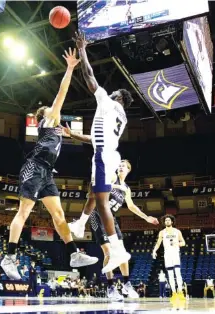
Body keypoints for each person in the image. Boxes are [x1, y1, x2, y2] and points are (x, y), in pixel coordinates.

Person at [0, 48, 98, 280]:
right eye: (53, 110)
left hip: (47, 173)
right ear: (44, 115)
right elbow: (61, 94)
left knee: (59, 215)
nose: (57, 111)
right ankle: (9, 257)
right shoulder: (48, 120)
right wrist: (70, 68)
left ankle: (74, 253)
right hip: (34, 166)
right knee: (25, 211)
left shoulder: (56, 128)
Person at [74, 31, 134, 274]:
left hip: (103, 155)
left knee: (101, 203)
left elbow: (89, 76)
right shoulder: (122, 117)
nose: (110, 93)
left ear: (118, 97)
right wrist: (74, 135)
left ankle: (117, 249)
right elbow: (99, 137)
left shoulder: (109, 103)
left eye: (114, 92)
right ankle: (79, 224)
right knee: (93, 191)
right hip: (106, 153)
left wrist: (82, 49)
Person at [66, 158, 159, 301]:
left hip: (111, 219)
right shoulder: (113, 177)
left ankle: (127, 284)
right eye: (119, 165)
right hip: (97, 215)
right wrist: (118, 187)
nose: (121, 167)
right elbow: (102, 185)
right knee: (108, 253)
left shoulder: (127, 188)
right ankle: (110, 287)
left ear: (128, 170)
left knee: (121, 253)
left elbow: (131, 206)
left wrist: (146, 217)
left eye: (124, 166)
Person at [152, 215, 186, 301]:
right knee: (170, 275)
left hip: (175, 254)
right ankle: (174, 293)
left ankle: (180, 292)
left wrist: (177, 244)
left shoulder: (177, 231)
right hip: (167, 255)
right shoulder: (162, 232)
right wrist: (154, 251)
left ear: (172, 222)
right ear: (164, 222)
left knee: (178, 274)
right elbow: (158, 243)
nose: (167, 221)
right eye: (166, 220)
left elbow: (183, 243)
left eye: (169, 220)